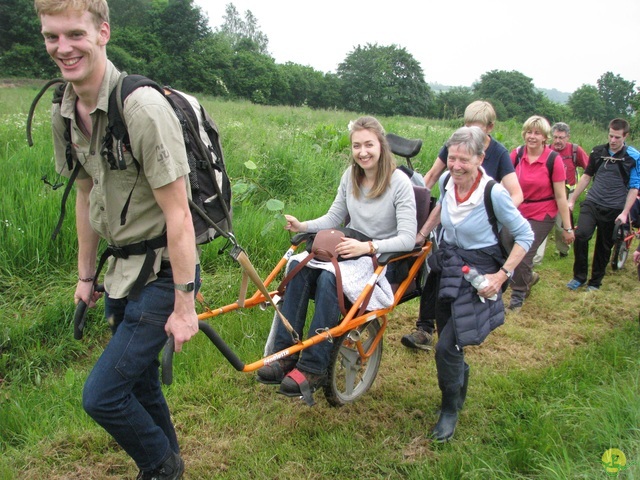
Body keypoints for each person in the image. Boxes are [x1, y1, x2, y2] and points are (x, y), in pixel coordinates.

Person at [36, 1, 199, 478]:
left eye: (74, 34)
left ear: (102, 32)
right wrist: (86, 276)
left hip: (164, 273)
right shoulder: (64, 111)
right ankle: (169, 468)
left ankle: (160, 466)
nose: (63, 48)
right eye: (51, 37)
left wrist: (185, 306)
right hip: (119, 272)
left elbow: (180, 216)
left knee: (102, 395)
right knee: (142, 383)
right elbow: (85, 196)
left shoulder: (143, 109)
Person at [256, 116, 417, 399]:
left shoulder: (399, 182)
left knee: (331, 280)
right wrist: (303, 226)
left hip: (382, 259)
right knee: (297, 267)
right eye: (357, 146)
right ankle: (284, 354)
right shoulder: (350, 176)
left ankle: (314, 367)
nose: (363, 152)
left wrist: (367, 248)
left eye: (369, 144)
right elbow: (333, 217)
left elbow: (407, 238)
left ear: (381, 145)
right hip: (349, 249)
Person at [418, 126, 533, 442]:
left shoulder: (492, 192)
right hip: (447, 266)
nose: (455, 165)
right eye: (451, 158)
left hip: (479, 273)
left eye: (463, 160)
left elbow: (525, 235)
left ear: (481, 158)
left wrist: (501, 275)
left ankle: (449, 410)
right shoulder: (446, 181)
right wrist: (422, 235)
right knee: (449, 338)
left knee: (446, 346)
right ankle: (459, 380)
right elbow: (441, 208)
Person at [402, 100, 523, 351]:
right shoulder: (454, 147)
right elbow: (434, 177)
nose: (471, 131)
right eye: (467, 124)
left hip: (481, 234)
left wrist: (494, 215)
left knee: (465, 291)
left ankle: (457, 336)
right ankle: (425, 328)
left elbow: (516, 194)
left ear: (490, 128)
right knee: (435, 276)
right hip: (450, 235)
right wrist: (414, 208)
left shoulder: (498, 154)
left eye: (477, 127)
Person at [503, 116, 574, 312]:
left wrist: (567, 228)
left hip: (542, 213)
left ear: (545, 137)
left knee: (523, 252)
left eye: (537, 133)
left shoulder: (553, 160)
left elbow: (561, 197)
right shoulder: (516, 155)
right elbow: (503, 184)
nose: (532, 137)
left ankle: (517, 299)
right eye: (528, 132)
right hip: (518, 209)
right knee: (507, 242)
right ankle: (529, 277)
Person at [566, 118, 640, 291]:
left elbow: (634, 187)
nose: (613, 141)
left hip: (615, 207)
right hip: (593, 201)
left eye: (617, 138)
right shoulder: (598, 151)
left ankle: (595, 282)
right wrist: (572, 199)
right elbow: (586, 176)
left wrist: (624, 212)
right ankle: (579, 276)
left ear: (625, 136)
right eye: (611, 136)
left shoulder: (633, 157)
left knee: (604, 245)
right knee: (582, 235)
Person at [532, 122, 588, 264]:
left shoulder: (575, 151)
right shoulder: (545, 151)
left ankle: (563, 250)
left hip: (566, 194)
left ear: (567, 137)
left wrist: (574, 198)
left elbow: (589, 169)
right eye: (555, 137)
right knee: (541, 225)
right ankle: (535, 258)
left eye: (561, 138)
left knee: (559, 226)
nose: (558, 141)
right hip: (546, 195)